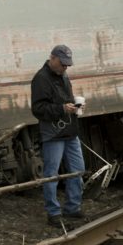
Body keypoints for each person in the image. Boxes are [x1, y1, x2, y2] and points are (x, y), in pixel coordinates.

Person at [31, 45, 86, 228]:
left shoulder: (62, 75)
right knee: (51, 174)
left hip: (69, 129)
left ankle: (72, 207)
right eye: (62, 64)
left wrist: (74, 107)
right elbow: (37, 109)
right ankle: (53, 212)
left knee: (77, 169)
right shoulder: (41, 79)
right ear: (52, 58)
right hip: (53, 132)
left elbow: (62, 99)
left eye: (67, 65)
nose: (65, 68)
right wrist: (62, 109)